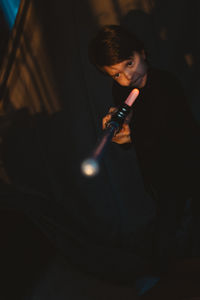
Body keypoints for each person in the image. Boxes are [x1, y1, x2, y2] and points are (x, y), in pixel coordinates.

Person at [89, 24, 200, 293]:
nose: (128, 76)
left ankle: (169, 276)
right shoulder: (121, 92)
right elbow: (136, 142)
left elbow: (170, 132)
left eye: (130, 63)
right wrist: (122, 135)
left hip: (187, 167)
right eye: (117, 73)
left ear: (143, 53)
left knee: (174, 226)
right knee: (175, 223)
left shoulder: (166, 83)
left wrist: (132, 134)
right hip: (157, 174)